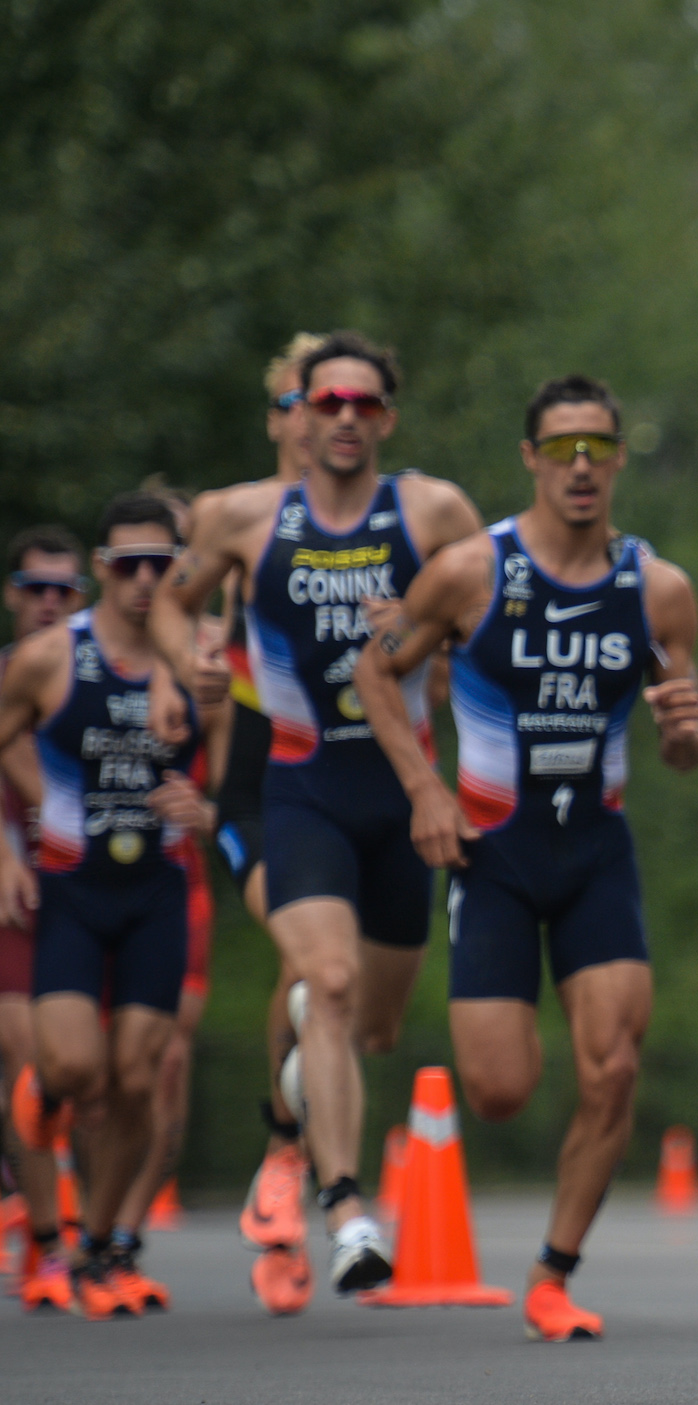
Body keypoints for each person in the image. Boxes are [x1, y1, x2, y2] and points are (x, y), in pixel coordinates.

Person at [354, 374, 698, 1340]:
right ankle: (514, 1016)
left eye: (598, 446)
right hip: (492, 854)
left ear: (620, 457)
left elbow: (686, 739)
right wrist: (425, 789)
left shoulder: (658, 589)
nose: (581, 466)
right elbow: (372, 672)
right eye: (562, 449)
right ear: (532, 460)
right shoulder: (472, 571)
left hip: (595, 850)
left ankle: (553, 1274)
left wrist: (684, 735)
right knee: (501, 1092)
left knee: (615, 1068)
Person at [149, 331, 482, 1294]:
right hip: (293, 784)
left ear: (388, 418)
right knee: (328, 982)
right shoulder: (241, 517)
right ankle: (346, 1210)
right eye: (326, 401)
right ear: (296, 411)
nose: (344, 418)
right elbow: (173, 605)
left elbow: (488, 608)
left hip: (399, 788)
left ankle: (300, 1095)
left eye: (364, 404)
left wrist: (431, 641)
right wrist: (190, 658)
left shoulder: (433, 510)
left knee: (373, 1023)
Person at [0, 493, 214, 1319]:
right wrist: (20, 826)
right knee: (70, 1067)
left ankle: (94, 1246)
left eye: (162, 566)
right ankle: (40, 1161)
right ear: (101, 571)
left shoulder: (200, 665)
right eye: (128, 566)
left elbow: (235, 777)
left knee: (139, 1078)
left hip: (157, 891)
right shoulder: (54, 658)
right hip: (74, 890)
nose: (145, 581)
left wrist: (208, 809)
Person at [216, 331, 327, 1315]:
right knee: (304, 957)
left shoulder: (386, 518)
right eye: (300, 399)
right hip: (255, 782)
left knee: (348, 1002)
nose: (317, 416)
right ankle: (287, 1155)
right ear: (277, 416)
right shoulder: (246, 524)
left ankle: (287, 1165)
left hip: (351, 787)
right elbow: (186, 635)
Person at [0, 525, 89, 1311]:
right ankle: (49, 1244)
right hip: (16, 902)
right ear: (13, 595)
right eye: (36, 588)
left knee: (97, 1072)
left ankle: (97, 1238)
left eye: (65, 590)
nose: (49, 603)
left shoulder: (108, 676)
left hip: (94, 893)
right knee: (34, 1063)